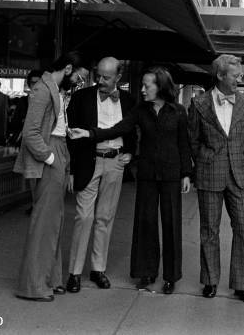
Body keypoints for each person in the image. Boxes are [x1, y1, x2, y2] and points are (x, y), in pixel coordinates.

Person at [70, 66, 192, 295]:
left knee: (171, 224)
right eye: (142, 85)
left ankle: (171, 276)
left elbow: (184, 144)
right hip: (146, 173)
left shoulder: (178, 111)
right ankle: (146, 273)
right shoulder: (140, 111)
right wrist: (90, 134)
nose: (142, 90)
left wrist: (186, 173)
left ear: (161, 86)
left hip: (171, 175)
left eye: (147, 86)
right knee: (145, 223)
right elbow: (119, 129)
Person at [187, 54, 244, 303]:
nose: (240, 78)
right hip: (209, 173)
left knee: (243, 228)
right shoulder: (199, 103)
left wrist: (238, 158)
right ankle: (210, 281)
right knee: (209, 230)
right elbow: (193, 140)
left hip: (238, 174)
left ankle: (241, 284)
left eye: (240, 75)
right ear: (219, 75)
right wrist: (206, 159)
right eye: (235, 75)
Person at [63, 57, 135, 293]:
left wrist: (130, 152)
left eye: (106, 77)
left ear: (118, 77)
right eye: (98, 75)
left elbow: (133, 129)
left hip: (115, 162)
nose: (100, 81)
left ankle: (98, 269)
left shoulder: (128, 100)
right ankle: (74, 273)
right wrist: (72, 170)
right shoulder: (81, 97)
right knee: (83, 217)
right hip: (87, 161)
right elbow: (71, 136)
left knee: (105, 217)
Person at [12, 54, 75, 301]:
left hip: (57, 150)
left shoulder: (51, 88)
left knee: (53, 222)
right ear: (68, 68)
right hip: (50, 154)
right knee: (44, 223)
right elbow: (30, 133)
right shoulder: (43, 89)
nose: (80, 80)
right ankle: (34, 285)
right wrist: (50, 158)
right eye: (78, 75)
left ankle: (49, 279)